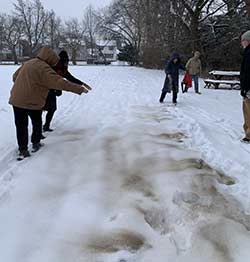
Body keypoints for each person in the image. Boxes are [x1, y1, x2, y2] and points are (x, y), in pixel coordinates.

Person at [9, 46, 90, 159]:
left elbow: (14, 77)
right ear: (50, 59)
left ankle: (23, 150)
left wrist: (26, 84)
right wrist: (79, 89)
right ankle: (36, 143)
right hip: (33, 102)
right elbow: (60, 83)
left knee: (21, 125)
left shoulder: (28, 62)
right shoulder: (44, 69)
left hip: (16, 99)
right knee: (37, 122)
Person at [43, 50, 91, 132]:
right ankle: (40, 130)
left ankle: (46, 126)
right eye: (64, 61)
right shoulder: (52, 67)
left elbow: (70, 78)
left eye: (66, 61)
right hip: (45, 89)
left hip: (54, 90)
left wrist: (82, 84)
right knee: (42, 109)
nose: (66, 63)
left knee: (52, 109)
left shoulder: (63, 69)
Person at [240, 30, 250, 143]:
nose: (242, 43)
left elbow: (247, 72)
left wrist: (245, 88)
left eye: (243, 40)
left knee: (248, 111)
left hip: (248, 87)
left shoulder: (248, 53)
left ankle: (249, 135)